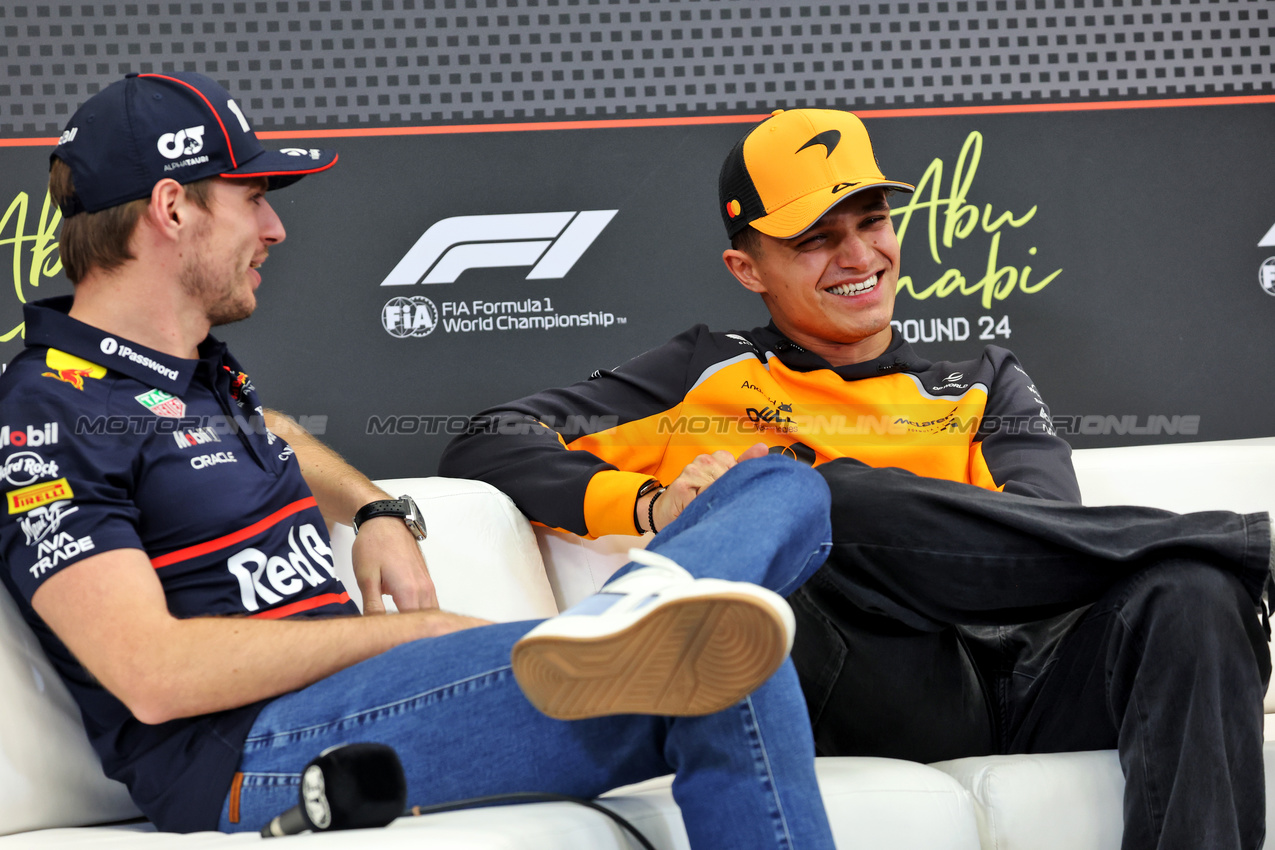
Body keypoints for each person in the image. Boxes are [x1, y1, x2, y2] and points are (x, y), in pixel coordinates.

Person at [0, 73, 842, 848]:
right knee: (721, 652)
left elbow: (278, 434)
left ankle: (634, 612)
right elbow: (150, 674)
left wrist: (375, 511)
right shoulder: (46, 412)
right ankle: (635, 618)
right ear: (173, 207)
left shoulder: (191, 373)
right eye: (253, 196)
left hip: (374, 699)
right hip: (253, 748)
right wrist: (408, 634)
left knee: (779, 487)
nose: (275, 226)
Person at [439, 107, 1274, 850]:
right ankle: (1247, 541)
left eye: (872, 222)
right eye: (815, 239)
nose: (858, 256)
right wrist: (653, 502)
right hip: (874, 681)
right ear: (746, 268)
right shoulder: (703, 370)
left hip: (1027, 669)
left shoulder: (983, 379)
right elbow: (491, 439)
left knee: (1196, 591)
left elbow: (1046, 543)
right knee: (808, 495)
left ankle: (1219, 552)